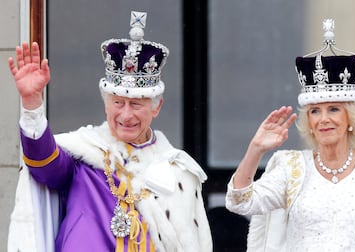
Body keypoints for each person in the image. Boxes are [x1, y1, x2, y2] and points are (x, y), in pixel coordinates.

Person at [7, 11, 212, 252]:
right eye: (117, 103)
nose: (126, 115)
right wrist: (32, 104)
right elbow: (43, 165)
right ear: (106, 104)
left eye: (136, 104)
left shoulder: (178, 172)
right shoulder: (82, 157)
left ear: (156, 108)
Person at [225, 19, 355, 251]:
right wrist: (256, 149)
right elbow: (239, 202)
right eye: (315, 111)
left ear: (350, 117)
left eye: (333, 109)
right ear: (309, 122)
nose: (323, 119)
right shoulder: (290, 166)